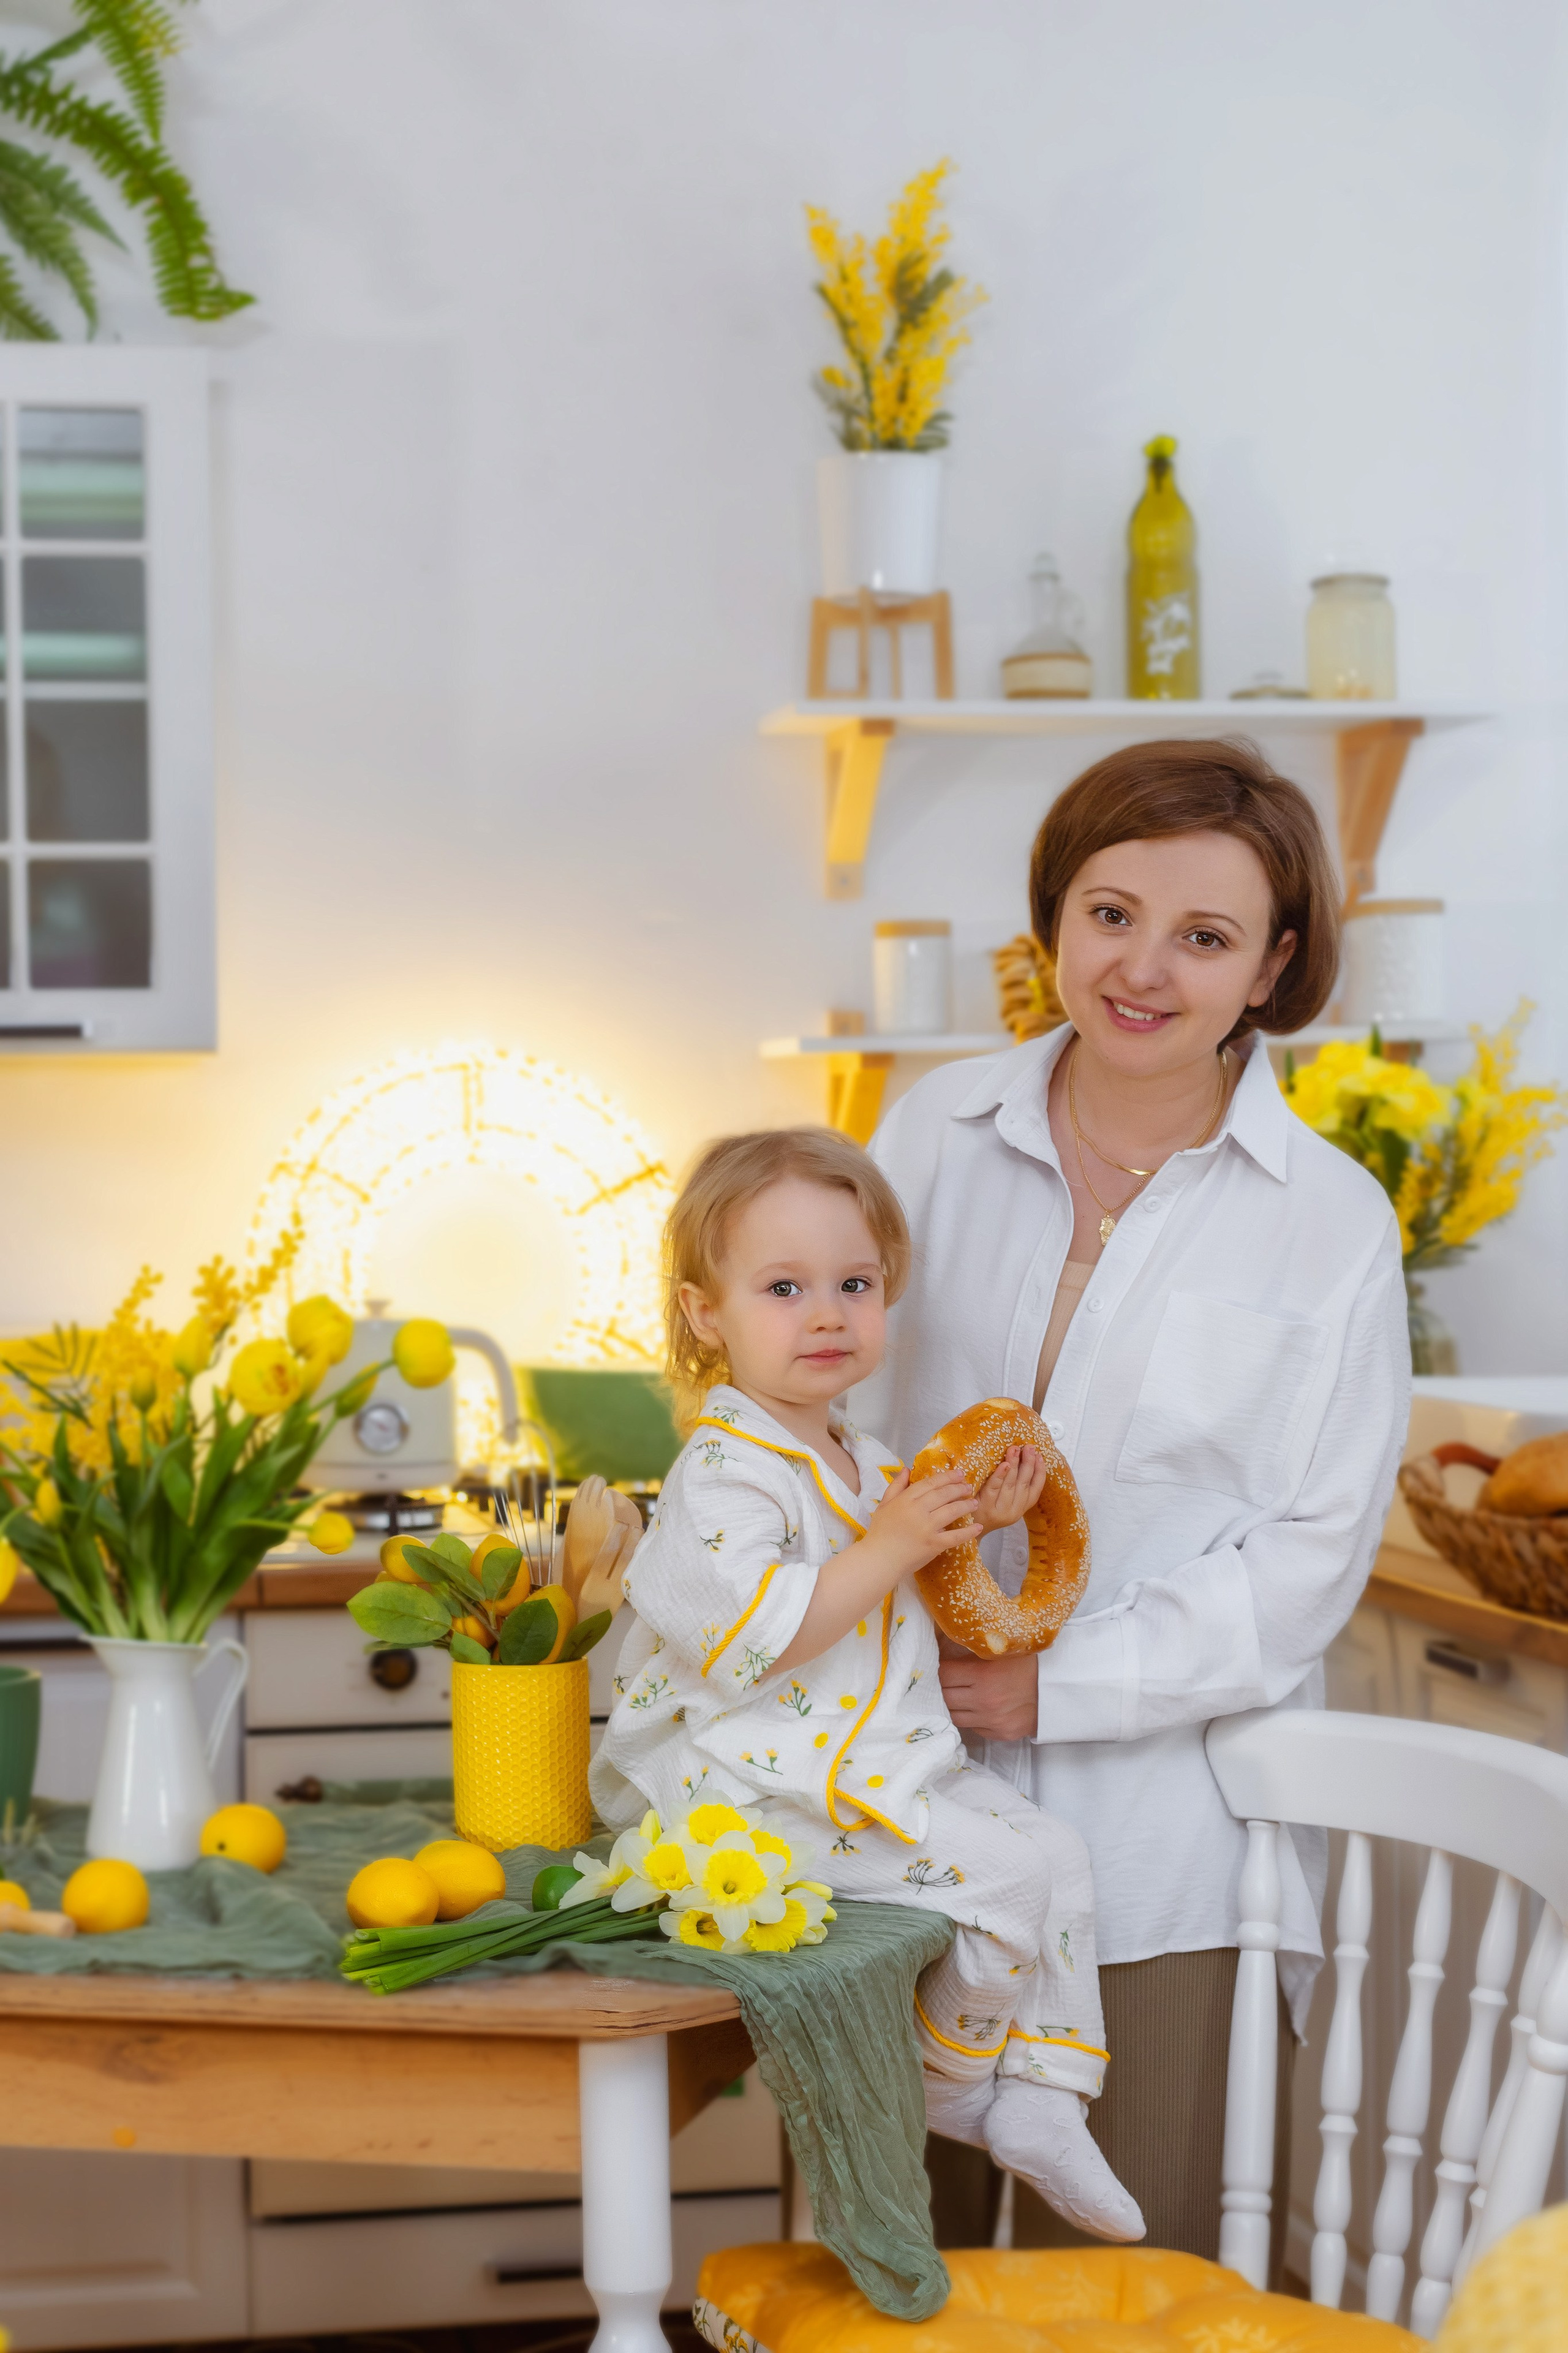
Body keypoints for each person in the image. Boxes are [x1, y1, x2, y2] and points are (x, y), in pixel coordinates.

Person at [854, 736, 1411, 2266]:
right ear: (1051, 920)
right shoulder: (927, 1141)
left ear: (1272, 966)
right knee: (887, 2272)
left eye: (1204, 936)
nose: (1141, 968)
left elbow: (1303, 1564)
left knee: (1144, 2275)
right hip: (886, 1811)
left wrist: (1058, 1684)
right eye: (1108, 913)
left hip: (1162, 1859)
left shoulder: (1328, 1227)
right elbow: (825, 1418)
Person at [590, 1125, 1145, 2240]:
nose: (829, 1313)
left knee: (1060, 1857)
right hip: (743, 1803)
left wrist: (967, 1521)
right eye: (785, 1286)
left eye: (856, 1282)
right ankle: (946, 2081)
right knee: (1004, 1880)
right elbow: (755, 1637)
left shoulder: (868, 1460)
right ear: (708, 1314)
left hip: (866, 1768)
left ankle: (1040, 2098)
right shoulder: (721, 1470)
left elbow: (903, 1586)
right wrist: (891, 1544)